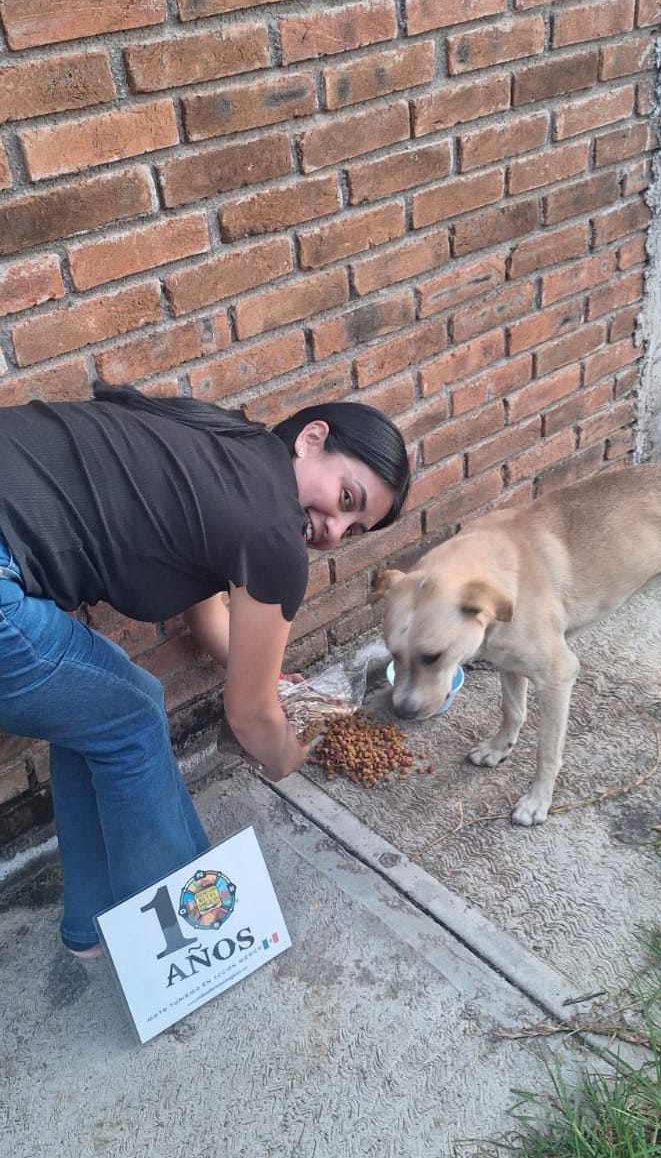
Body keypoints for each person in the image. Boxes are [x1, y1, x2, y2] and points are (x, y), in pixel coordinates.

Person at [0, 382, 410, 957]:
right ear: (312, 440)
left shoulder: (232, 447)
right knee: (131, 716)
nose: (335, 532)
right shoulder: (272, 530)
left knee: (98, 708)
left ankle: (93, 929)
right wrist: (287, 755)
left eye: (354, 529)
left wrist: (264, 680)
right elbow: (247, 718)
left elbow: (204, 613)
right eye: (347, 499)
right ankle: (188, 948)